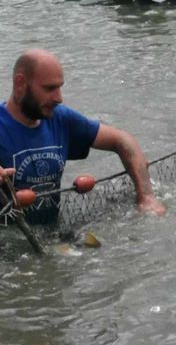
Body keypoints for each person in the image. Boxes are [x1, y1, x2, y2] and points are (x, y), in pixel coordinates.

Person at [0, 49, 165, 225]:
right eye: (49, 88)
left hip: (50, 235)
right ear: (20, 84)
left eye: (59, 87)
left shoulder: (61, 118)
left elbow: (122, 140)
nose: (59, 98)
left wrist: (147, 197)